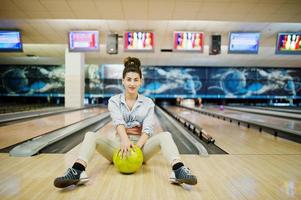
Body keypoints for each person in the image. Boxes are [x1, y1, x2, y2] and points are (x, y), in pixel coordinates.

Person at [53, 57, 197, 188]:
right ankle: (77, 171)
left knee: (165, 135)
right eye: (129, 79)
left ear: (141, 81)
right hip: (118, 147)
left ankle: (178, 170)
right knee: (90, 135)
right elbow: (118, 122)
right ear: (123, 81)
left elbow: (148, 129)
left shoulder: (148, 103)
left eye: (135, 80)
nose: (132, 83)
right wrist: (124, 140)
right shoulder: (114, 101)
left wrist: (137, 147)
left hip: (142, 147)